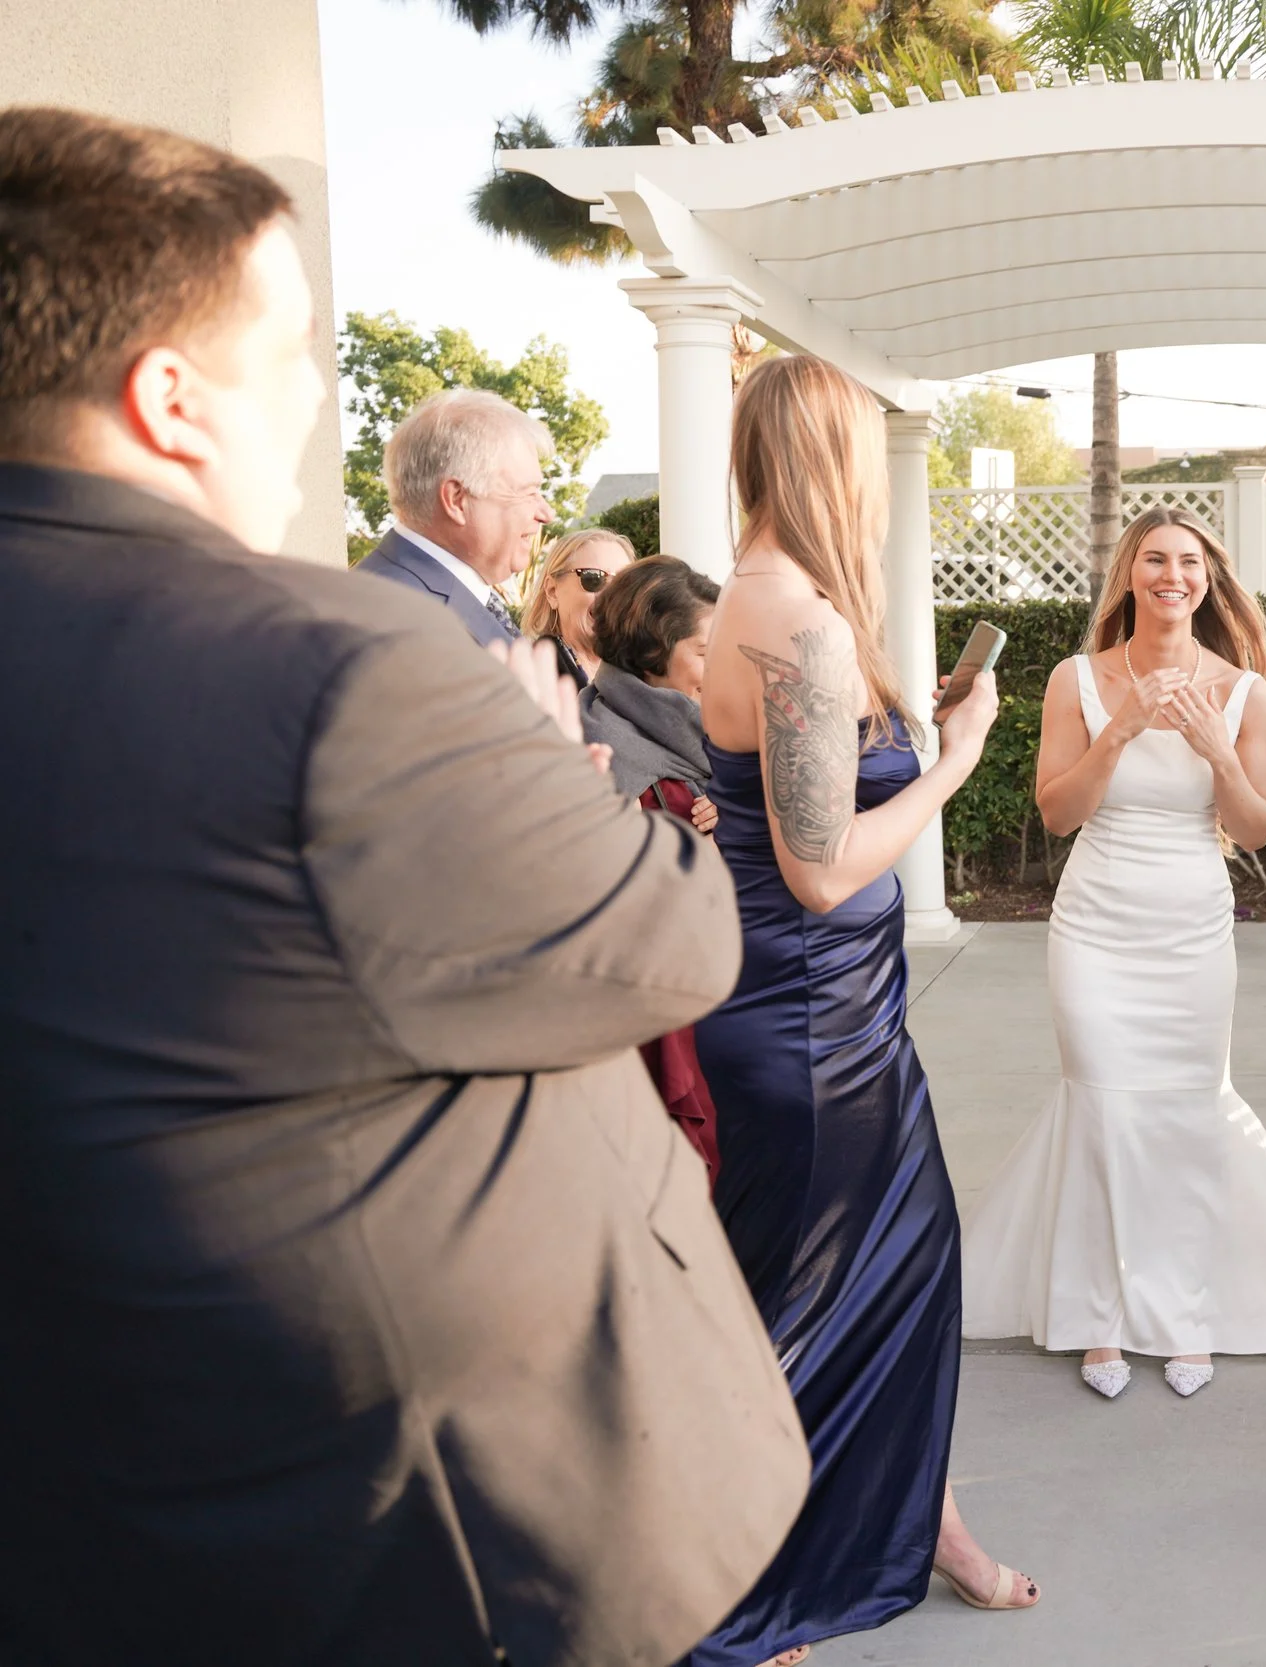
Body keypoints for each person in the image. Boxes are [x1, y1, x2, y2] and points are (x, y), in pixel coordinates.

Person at [0, 107, 809, 1666]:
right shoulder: (333, 661)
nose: (316, 400)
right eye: (292, 348)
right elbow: (674, 939)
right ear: (170, 399)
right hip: (400, 1529)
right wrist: (533, 759)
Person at [690, 353, 1036, 1664]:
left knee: (892, 1281)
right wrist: (953, 758)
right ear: (834, 460)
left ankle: (923, 1521)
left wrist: (901, 722)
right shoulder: (798, 622)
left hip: (827, 1015)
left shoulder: (778, 600)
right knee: (809, 1314)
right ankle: (756, 1608)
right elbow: (821, 862)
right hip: (803, 1026)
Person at [961, 507, 1266, 1400]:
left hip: (1192, 929)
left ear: (1207, 580)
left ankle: (1184, 1308)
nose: (1173, 575)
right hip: (1096, 925)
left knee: (1184, 1110)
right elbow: (1059, 813)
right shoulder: (1076, 679)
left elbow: (1254, 827)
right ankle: (1100, 1312)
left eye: (1189, 562)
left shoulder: (1247, 690)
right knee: (1101, 1105)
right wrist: (1121, 728)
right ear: (1129, 576)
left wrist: (1217, 748)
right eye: (1155, 560)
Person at [583, 555, 726, 1178]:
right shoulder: (615, 758)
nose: (722, 669)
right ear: (650, 656)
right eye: (704, 651)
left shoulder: (678, 733)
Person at [360, 386, 555, 646]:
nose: (546, 514)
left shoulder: (409, 596)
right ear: (457, 500)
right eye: (528, 493)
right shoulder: (402, 620)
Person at [527, 524, 634, 686]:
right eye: (594, 579)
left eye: (624, 584)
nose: (612, 596)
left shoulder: (646, 676)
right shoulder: (531, 676)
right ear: (552, 591)